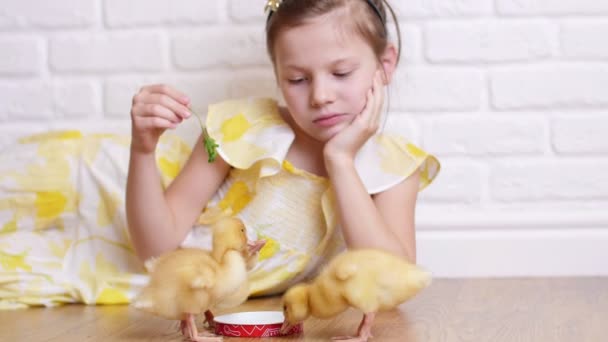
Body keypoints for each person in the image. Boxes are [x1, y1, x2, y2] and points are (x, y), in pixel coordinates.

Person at [0, 0, 439, 309]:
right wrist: (142, 148)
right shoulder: (241, 130)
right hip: (103, 201)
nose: (321, 96)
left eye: (341, 72)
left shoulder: (394, 167)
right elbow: (156, 248)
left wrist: (340, 161)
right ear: (277, 75)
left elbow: (394, 280)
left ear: (385, 65)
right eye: (297, 79)